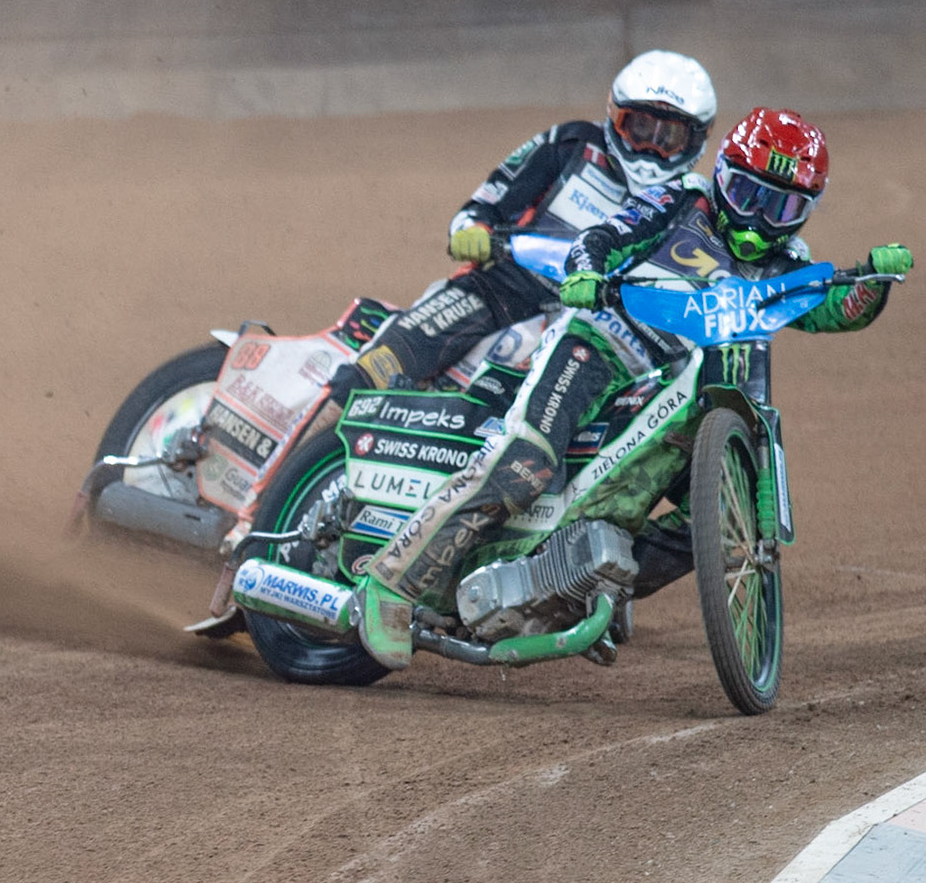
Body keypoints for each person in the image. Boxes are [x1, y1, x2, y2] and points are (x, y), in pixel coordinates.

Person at [355, 107, 912, 669]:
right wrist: (587, 272)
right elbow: (603, 235)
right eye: (747, 193)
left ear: (805, 213)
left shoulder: (786, 262)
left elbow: (831, 310)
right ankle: (390, 586)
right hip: (600, 345)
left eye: (782, 206)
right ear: (722, 174)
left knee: (715, 521)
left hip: (675, 382)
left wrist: (871, 279)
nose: (758, 219)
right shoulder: (681, 200)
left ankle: (574, 591)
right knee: (525, 464)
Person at [325, 50, 718, 402]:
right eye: (641, 128)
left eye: (669, 136)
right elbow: (487, 202)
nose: (650, 146)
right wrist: (474, 231)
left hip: (597, 328)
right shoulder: (571, 144)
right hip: (506, 288)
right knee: (374, 369)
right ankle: (318, 432)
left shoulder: (690, 204)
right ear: (616, 120)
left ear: (695, 141)